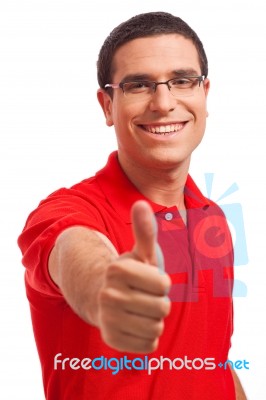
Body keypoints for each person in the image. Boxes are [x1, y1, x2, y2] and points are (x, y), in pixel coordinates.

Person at [18, 11, 247, 400]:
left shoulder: (215, 219)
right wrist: (105, 287)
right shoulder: (69, 210)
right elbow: (75, 250)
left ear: (204, 94)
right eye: (138, 85)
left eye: (181, 81)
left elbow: (212, 359)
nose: (163, 102)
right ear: (107, 105)